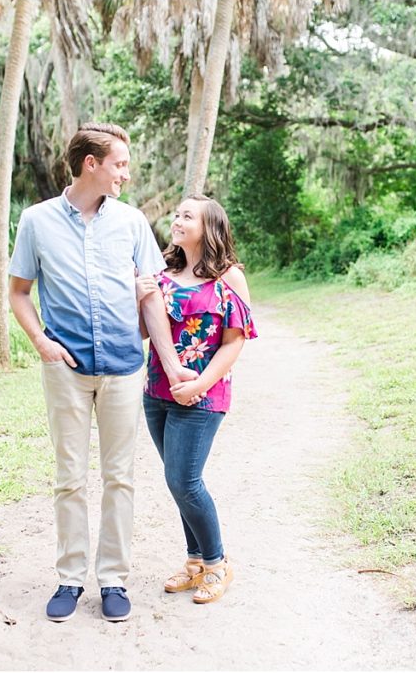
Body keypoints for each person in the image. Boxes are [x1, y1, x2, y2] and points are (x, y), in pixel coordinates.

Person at [8, 122, 197, 623]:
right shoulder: (37, 221)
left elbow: (151, 296)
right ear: (91, 164)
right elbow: (18, 291)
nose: (125, 174)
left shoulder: (132, 223)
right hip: (66, 369)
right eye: (119, 164)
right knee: (69, 477)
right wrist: (41, 342)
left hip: (122, 367)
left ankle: (112, 577)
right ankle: (70, 577)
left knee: (120, 477)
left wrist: (173, 364)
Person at [138, 194, 257, 605]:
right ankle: (194, 564)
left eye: (188, 215)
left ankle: (217, 563)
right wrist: (139, 296)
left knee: (184, 480)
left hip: (204, 396)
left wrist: (199, 384)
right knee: (177, 480)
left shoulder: (228, 277)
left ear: (210, 227)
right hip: (157, 390)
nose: (178, 219)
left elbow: (233, 342)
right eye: (177, 213)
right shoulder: (163, 272)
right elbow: (143, 331)